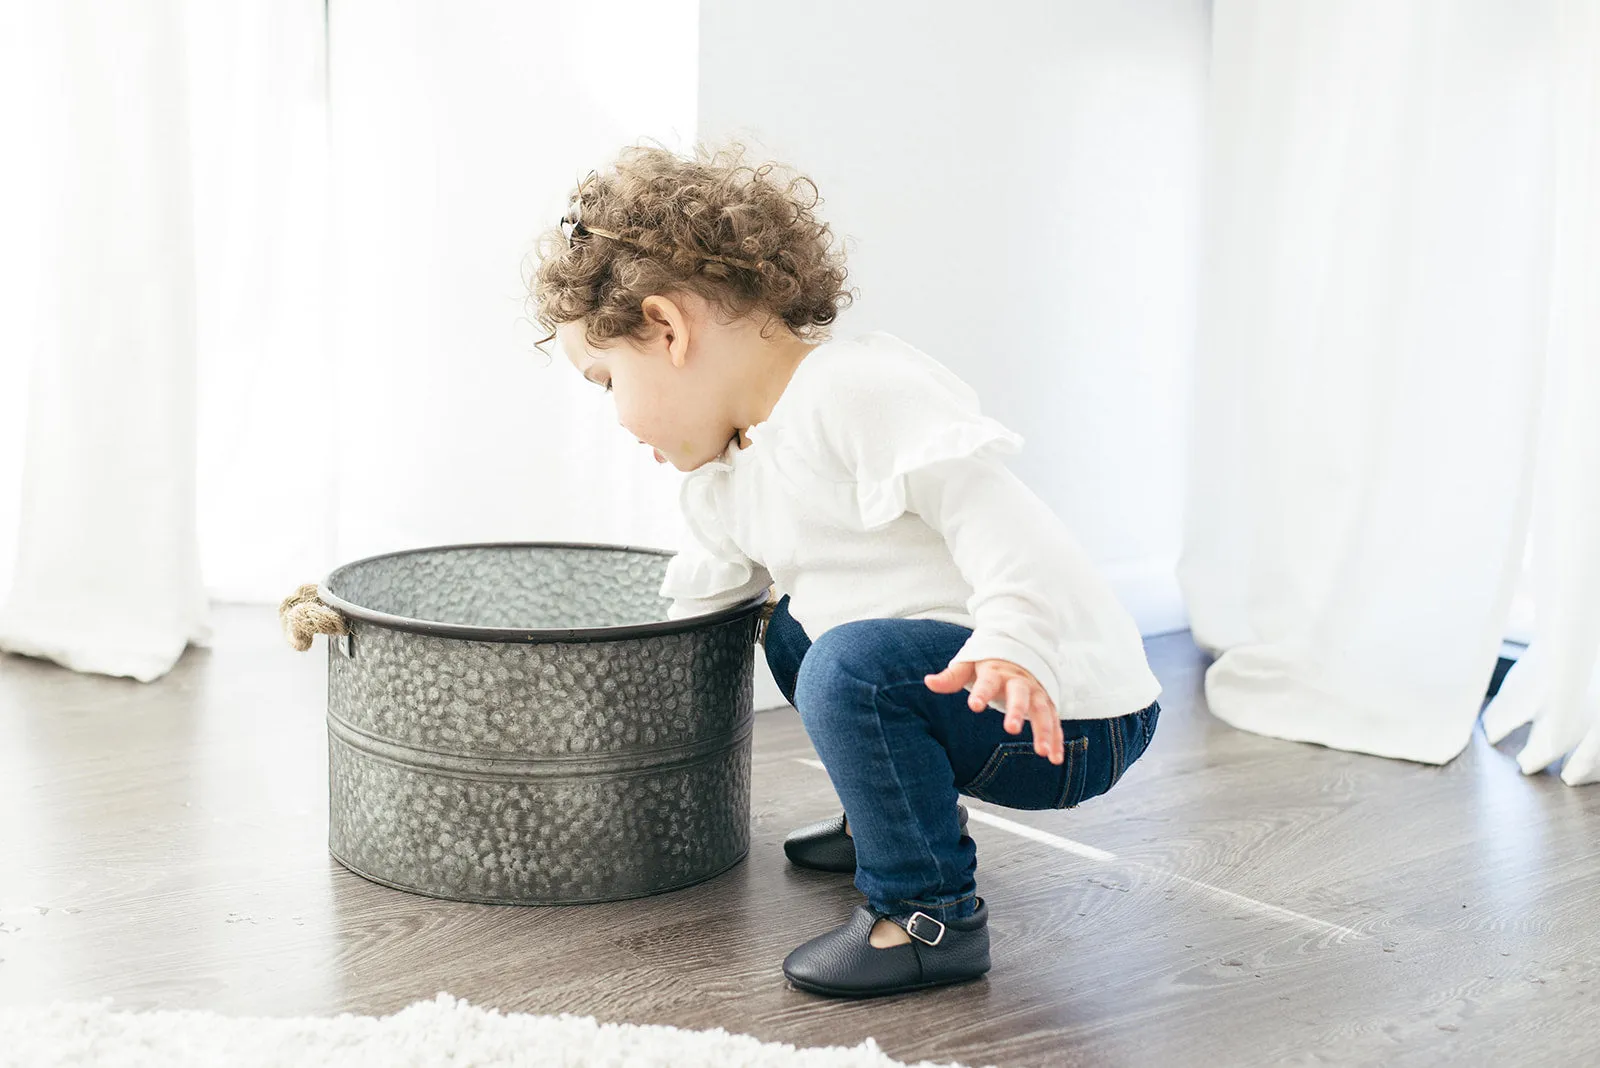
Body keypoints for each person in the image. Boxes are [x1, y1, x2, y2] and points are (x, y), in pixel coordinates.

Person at [529, 142, 1162, 999]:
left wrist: (1015, 640)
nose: (613, 415)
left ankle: (927, 918)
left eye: (606, 379)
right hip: (963, 694)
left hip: (1061, 707)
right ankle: (892, 822)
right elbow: (695, 611)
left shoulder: (854, 390)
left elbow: (1005, 521)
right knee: (790, 630)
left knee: (845, 664)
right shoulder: (726, 476)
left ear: (668, 329)